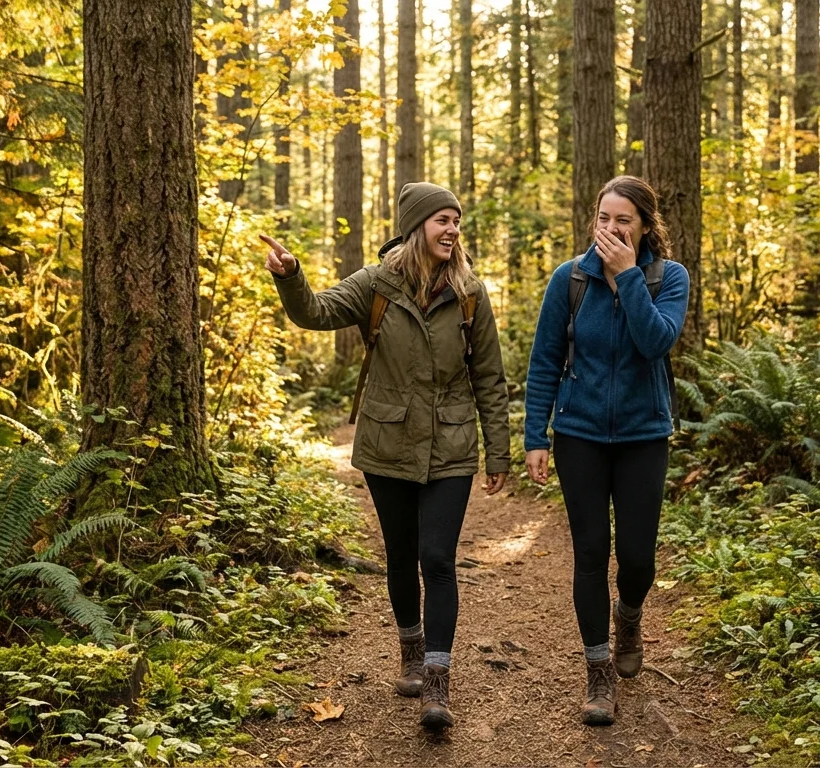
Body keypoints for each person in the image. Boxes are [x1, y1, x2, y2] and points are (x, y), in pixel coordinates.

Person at [260, 182, 510, 731]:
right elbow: (315, 312)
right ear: (416, 226)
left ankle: (438, 686)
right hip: (388, 442)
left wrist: (499, 453)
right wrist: (290, 275)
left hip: (449, 445)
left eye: (457, 221)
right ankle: (411, 653)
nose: (451, 229)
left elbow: (489, 377)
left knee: (438, 559)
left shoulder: (469, 292)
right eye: (442, 220)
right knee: (401, 553)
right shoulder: (376, 284)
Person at [522, 175, 689, 726]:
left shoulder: (669, 278)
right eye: (603, 218)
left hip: (643, 435)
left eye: (623, 220)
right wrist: (535, 436)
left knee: (638, 557)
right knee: (592, 550)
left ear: (644, 226)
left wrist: (627, 279)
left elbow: (656, 342)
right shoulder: (569, 279)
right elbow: (545, 360)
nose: (611, 229)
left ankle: (631, 613)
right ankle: (598, 672)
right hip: (580, 436)